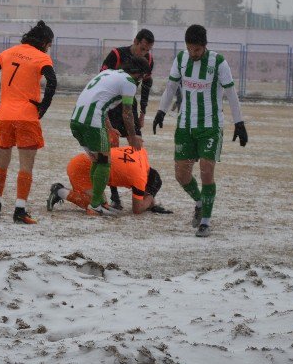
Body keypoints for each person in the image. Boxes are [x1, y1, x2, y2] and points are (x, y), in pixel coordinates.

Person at [152, 24, 247, 238]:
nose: (193, 53)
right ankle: (199, 202)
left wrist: (239, 123)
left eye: (196, 49)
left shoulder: (218, 62)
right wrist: (160, 112)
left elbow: (231, 93)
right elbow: (170, 88)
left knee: (206, 170)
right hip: (185, 125)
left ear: (204, 46)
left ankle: (205, 221)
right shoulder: (181, 59)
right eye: (190, 49)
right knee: (181, 175)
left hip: (210, 126)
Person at [0, 21, 58, 224]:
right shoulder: (42, 57)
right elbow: (52, 81)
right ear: (45, 42)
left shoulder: (9, 52)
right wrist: (43, 107)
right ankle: (19, 211)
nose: (49, 48)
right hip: (26, 116)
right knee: (26, 166)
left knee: (1, 163)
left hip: (4, 115)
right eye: (49, 45)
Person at [69, 59, 147, 215]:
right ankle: (96, 205)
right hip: (92, 121)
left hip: (76, 120)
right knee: (105, 162)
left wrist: (110, 127)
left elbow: (99, 100)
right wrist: (133, 136)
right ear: (140, 74)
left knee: (97, 160)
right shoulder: (129, 82)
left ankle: (97, 202)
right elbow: (127, 112)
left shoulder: (108, 73)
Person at [100, 28, 155, 209]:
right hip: (112, 108)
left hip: (129, 106)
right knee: (111, 150)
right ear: (135, 41)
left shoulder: (148, 60)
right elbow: (102, 78)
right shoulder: (116, 54)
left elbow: (147, 84)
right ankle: (114, 196)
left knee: (137, 147)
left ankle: (142, 193)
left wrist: (143, 112)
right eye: (142, 48)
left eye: (147, 50)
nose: (144, 53)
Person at [47, 146, 171, 215]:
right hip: (81, 169)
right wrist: (150, 196)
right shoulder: (140, 179)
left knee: (104, 204)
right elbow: (137, 209)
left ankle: (62, 191)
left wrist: (150, 196)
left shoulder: (142, 153)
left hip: (86, 160)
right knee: (96, 206)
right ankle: (60, 191)